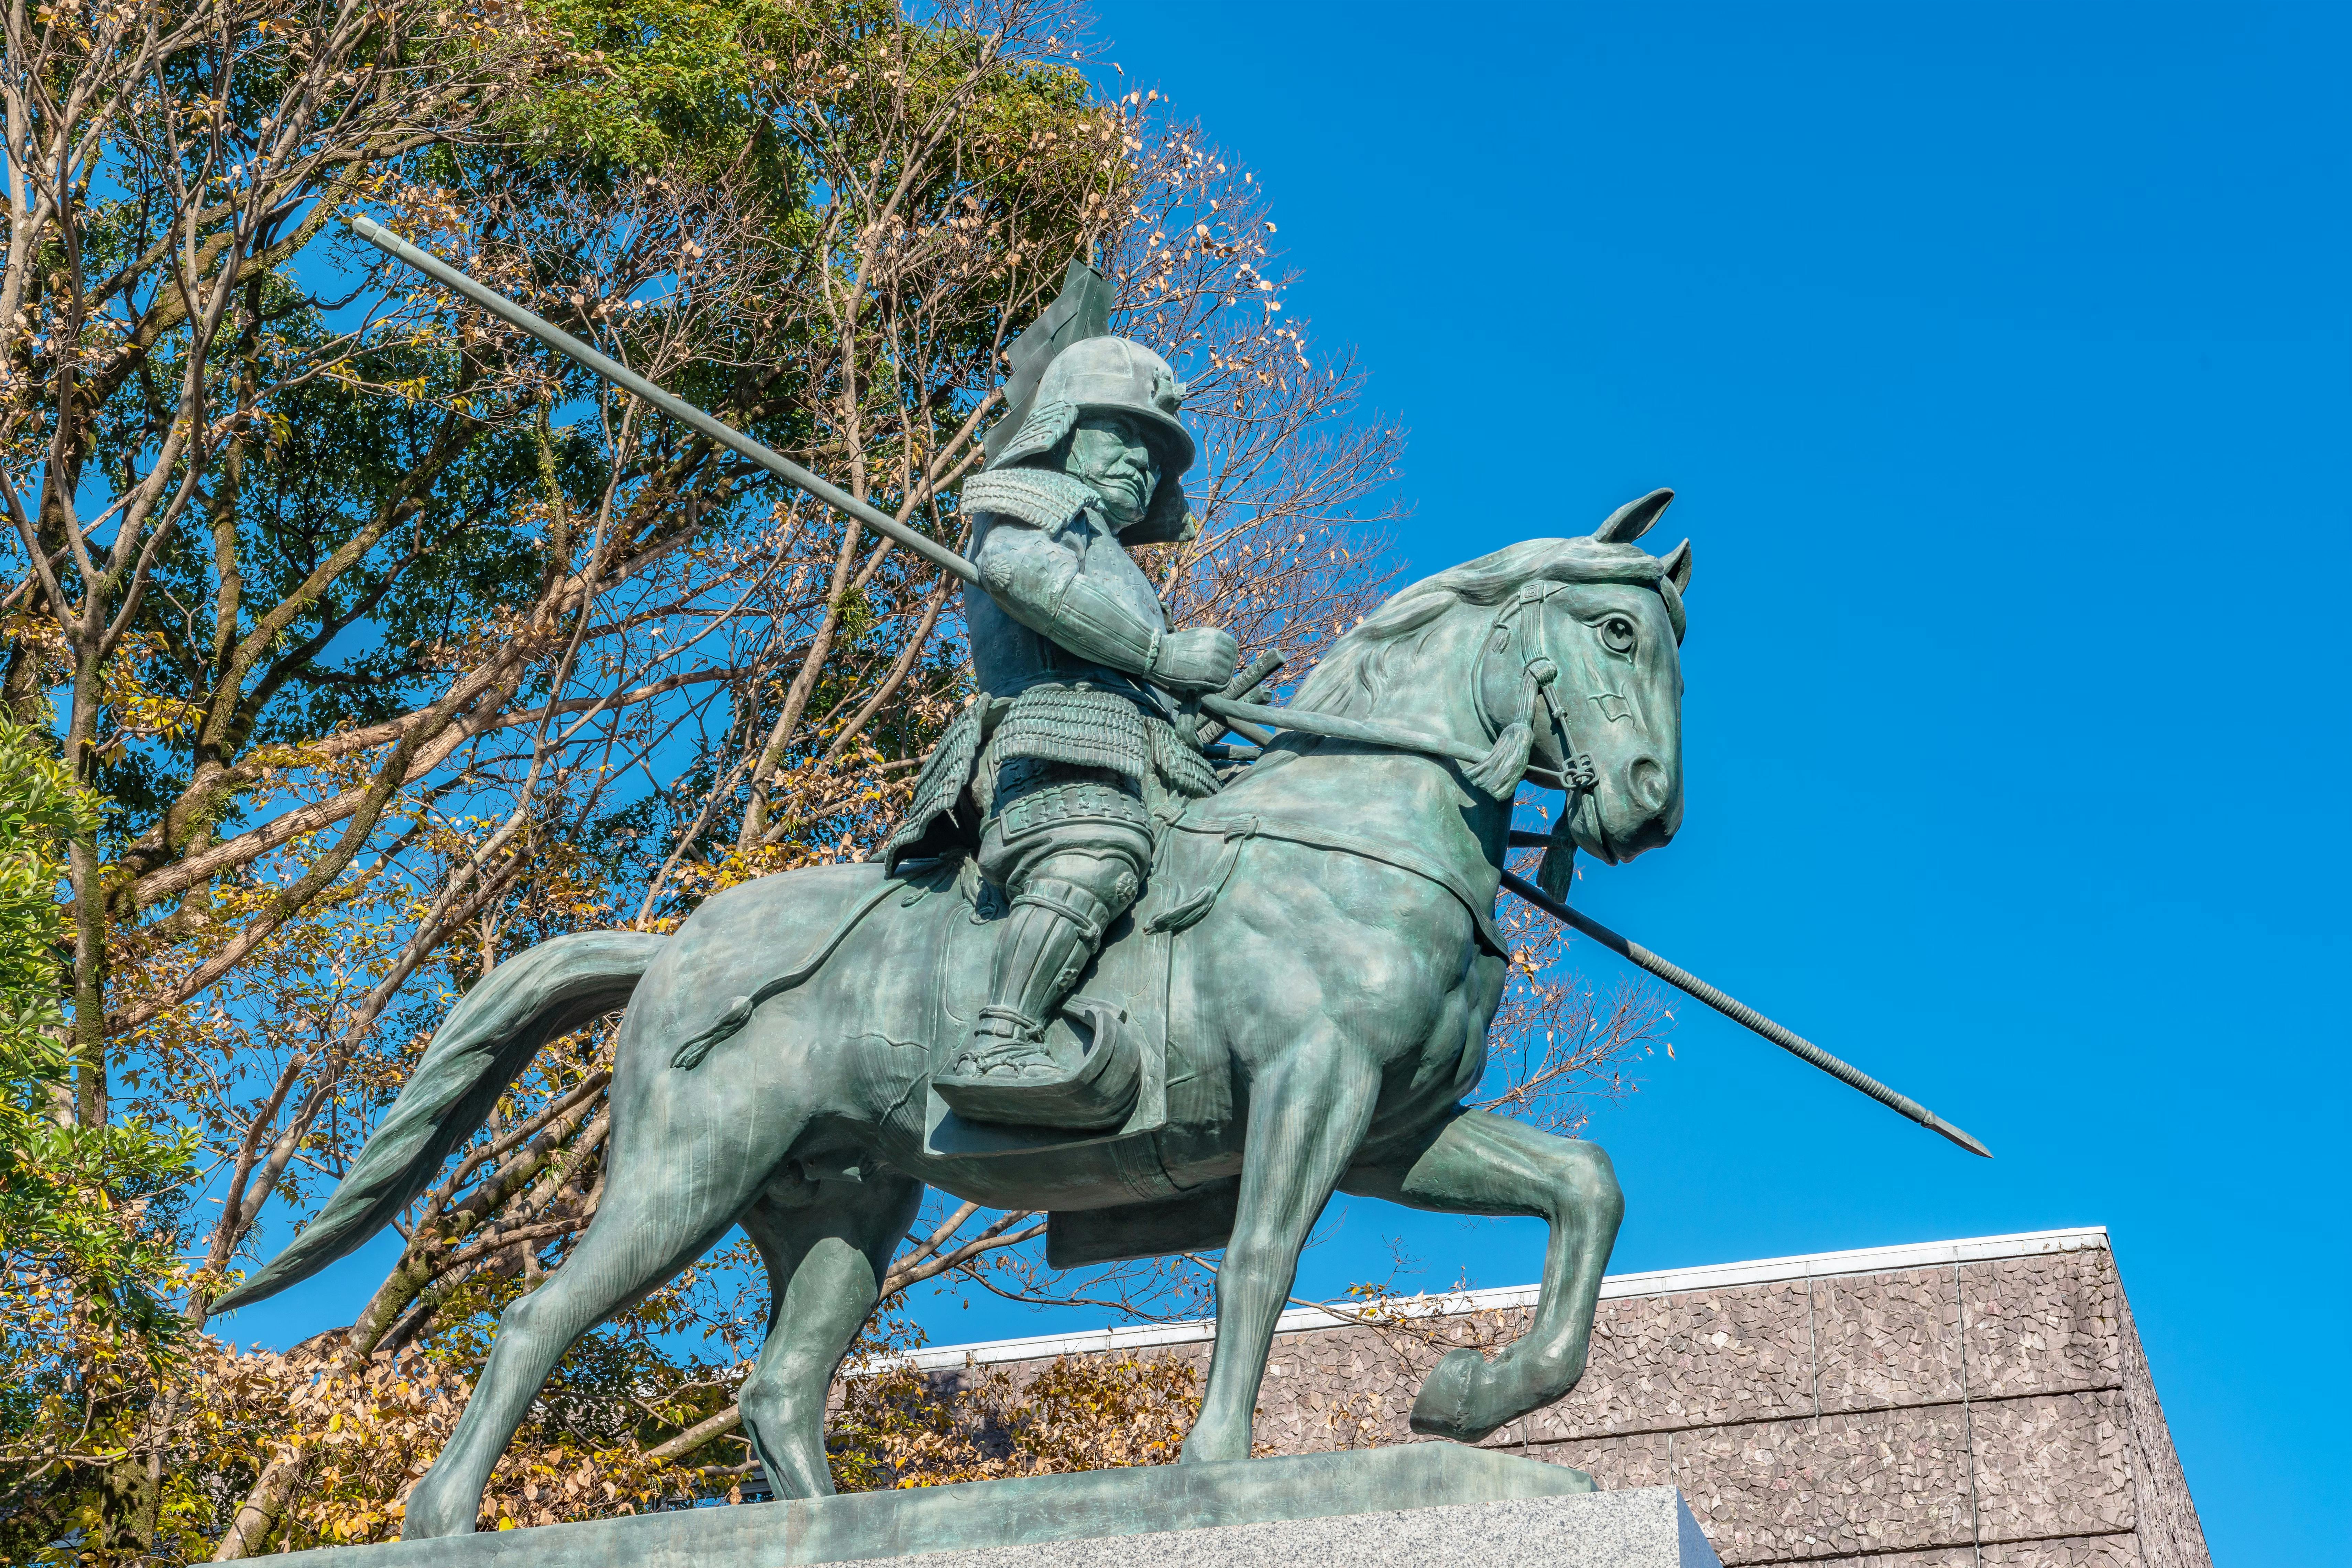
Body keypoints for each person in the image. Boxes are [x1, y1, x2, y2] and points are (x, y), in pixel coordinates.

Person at [883, 334, 1237, 1117]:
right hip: (1055, 746)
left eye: (1158, 452)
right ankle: (1000, 1039)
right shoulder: (1035, 505)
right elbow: (1024, 576)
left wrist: (1195, 714)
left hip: (1131, 751)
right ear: (1067, 428)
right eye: (1129, 436)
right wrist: (1160, 653)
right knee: (1098, 850)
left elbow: (1144, 687)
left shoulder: (1113, 555)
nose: (1147, 463)